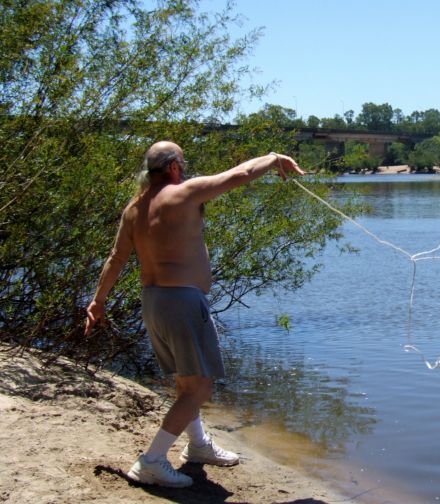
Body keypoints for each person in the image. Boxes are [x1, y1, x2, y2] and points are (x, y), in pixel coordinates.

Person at [85, 141, 305, 488]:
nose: (184, 168)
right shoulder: (184, 193)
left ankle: (198, 445)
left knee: (186, 380)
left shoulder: (134, 208)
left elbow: (116, 258)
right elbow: (242, 173)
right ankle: (152, 461)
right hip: (182, 303)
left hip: (153, 302)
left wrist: (97, 302)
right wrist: (274, 158)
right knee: (199, 387)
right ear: (173, 166)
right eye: (182, 162)